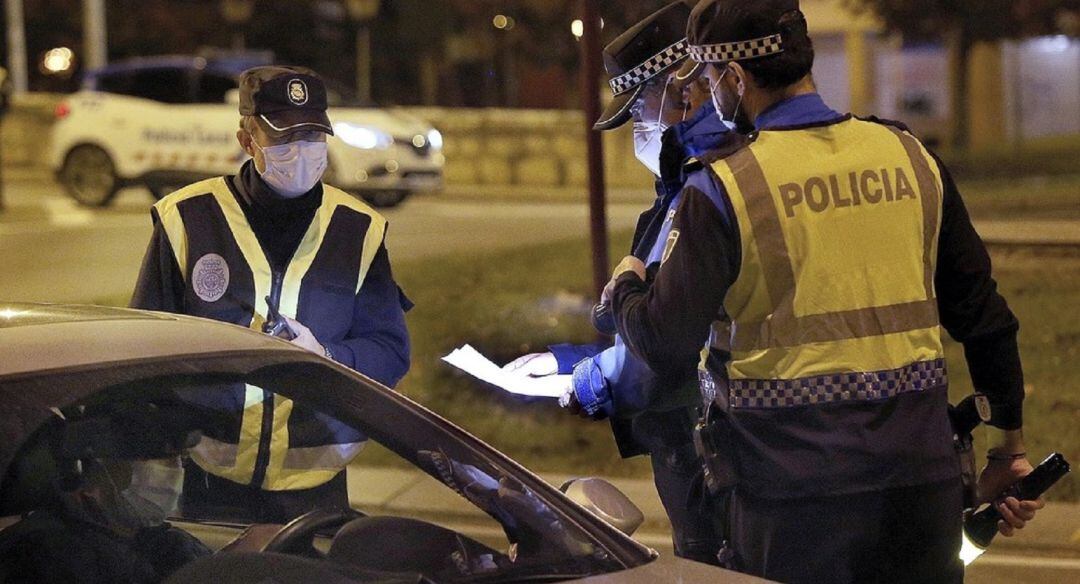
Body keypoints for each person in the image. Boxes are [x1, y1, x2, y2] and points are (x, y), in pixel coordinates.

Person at [604, 1, 1043, 582]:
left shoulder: (725, 188)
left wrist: (626, 290)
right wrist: (1007, 451)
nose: (709, 97)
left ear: (734, 79)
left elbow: (664, 341)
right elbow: (985, 318)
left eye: (710, 81)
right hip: (922, 489)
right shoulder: (911, 158)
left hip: (790, 497)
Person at [503, 0, 742, 565]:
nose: (637, 128)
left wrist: (590, 378)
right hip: (694, 451)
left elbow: (679, 339)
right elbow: (653, 321)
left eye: (639, 110)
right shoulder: (675, 191)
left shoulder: (713, 185)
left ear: (684, 90)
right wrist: (568, 362)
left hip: (720, 453)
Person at [131, 65, 411, 523]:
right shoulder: (187, 219)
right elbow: (144, 352)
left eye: (312, 137)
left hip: (317, 490)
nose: (300, 152)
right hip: (208, 482)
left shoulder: (359, 230)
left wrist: (324, 355)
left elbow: (389, 351)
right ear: (247, 140)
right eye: (283, 138)